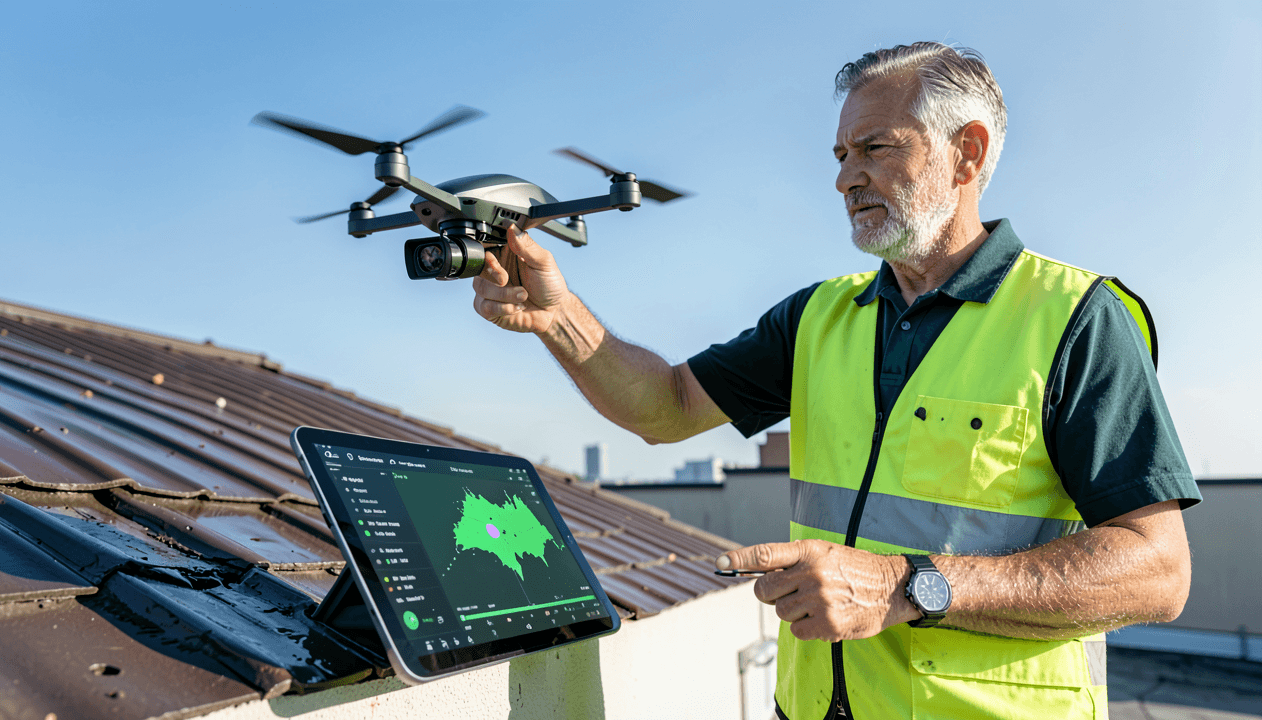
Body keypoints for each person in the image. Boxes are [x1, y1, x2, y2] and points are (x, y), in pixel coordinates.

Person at [470, 42, 1200, 720]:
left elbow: (1158, 570)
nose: (847, 178)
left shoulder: (1075, 319)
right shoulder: (819, 317)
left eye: (875, 148)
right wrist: (559, 317)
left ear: (967, 153)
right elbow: (666, 407)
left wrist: (909, 586)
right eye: (842, 154)